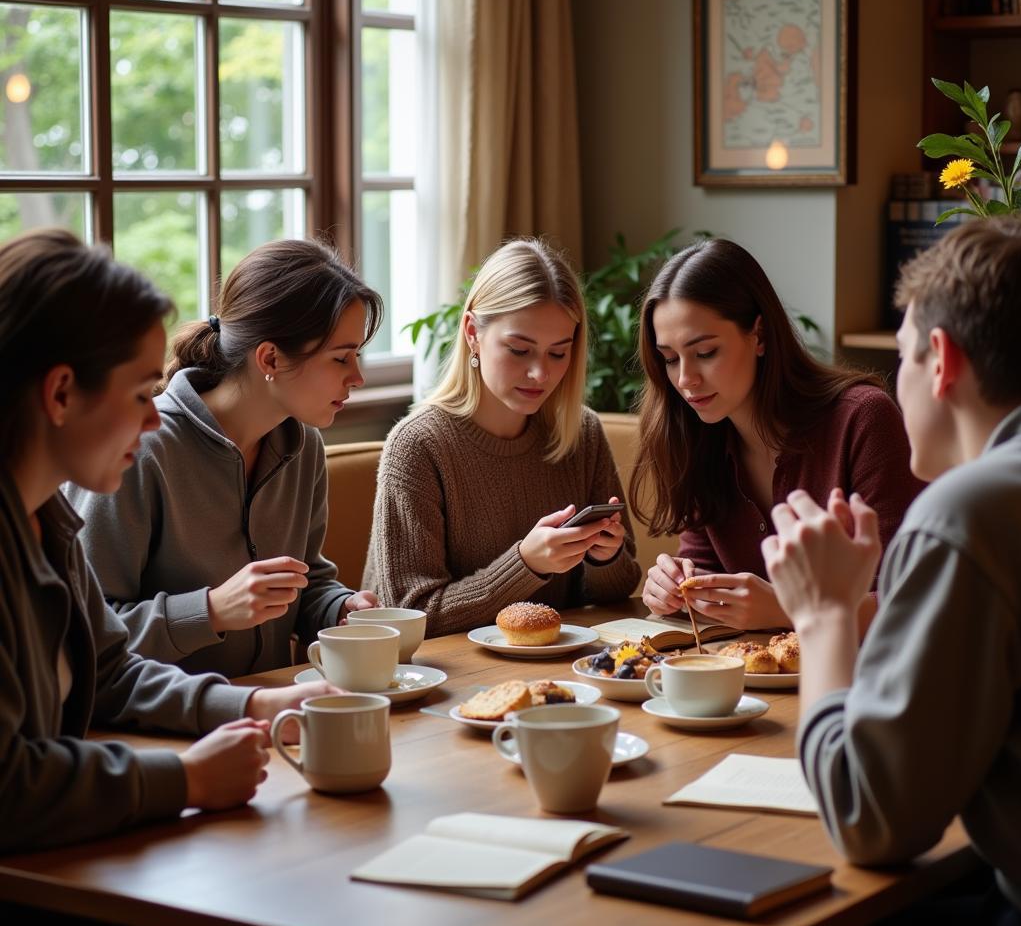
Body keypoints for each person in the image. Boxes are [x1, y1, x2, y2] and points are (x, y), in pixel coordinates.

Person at [0, 228, 341, 853]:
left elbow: (110, 673)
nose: (155, 415)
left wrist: (255, 708)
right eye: (138, 393)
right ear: (60, 393)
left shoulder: (47, 523)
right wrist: (182, 778)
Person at [763, 217, 1021, 926]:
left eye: (901, 358)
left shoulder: (972, 511)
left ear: (940, 360)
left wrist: (823, 615)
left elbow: (872, 823)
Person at [67, 239, 383, 677]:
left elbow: (305, 580)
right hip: (152, 729)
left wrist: (338, 607)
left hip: (269, 713)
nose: (358, 377)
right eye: (341, 358)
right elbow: (79, 631)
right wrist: (210, 611)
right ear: (270, 357)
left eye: (358, 355)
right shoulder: (141, 449)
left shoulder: (303, 445)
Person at [635, 237, 923, 633]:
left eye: (705, 353)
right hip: (752, 683)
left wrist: (790, 610)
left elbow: (912, 597)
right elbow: (704, 571)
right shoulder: (697, 439)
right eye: (669, 359)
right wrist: (674, 588)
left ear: (760, 335)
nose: (685, 379)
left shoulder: (863, 420)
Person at [363, 238, 641, 636]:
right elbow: (412, 614)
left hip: (553, 671)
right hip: (442, 678)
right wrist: (526, 564)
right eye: (518, 350)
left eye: (558, 353)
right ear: (473, 332)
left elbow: (620, 590)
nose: (540, 374)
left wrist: (606, 557)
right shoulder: (419, 446)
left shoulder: (581, 433)